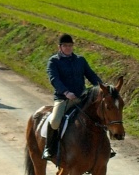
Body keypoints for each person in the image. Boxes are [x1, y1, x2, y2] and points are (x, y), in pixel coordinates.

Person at [43, 34, 105, 162]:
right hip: (63, 98)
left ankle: (105, 147)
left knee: (101, 115)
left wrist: (102, 88)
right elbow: (54, 79)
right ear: (60, 47)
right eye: (65, 45)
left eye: (70, 45)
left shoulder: (80, 60)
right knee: (55, 121)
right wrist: (66, 92)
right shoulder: (54, 61)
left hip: (82, 97)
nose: (68, 48)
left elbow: (91, 75)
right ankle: (49, 148)